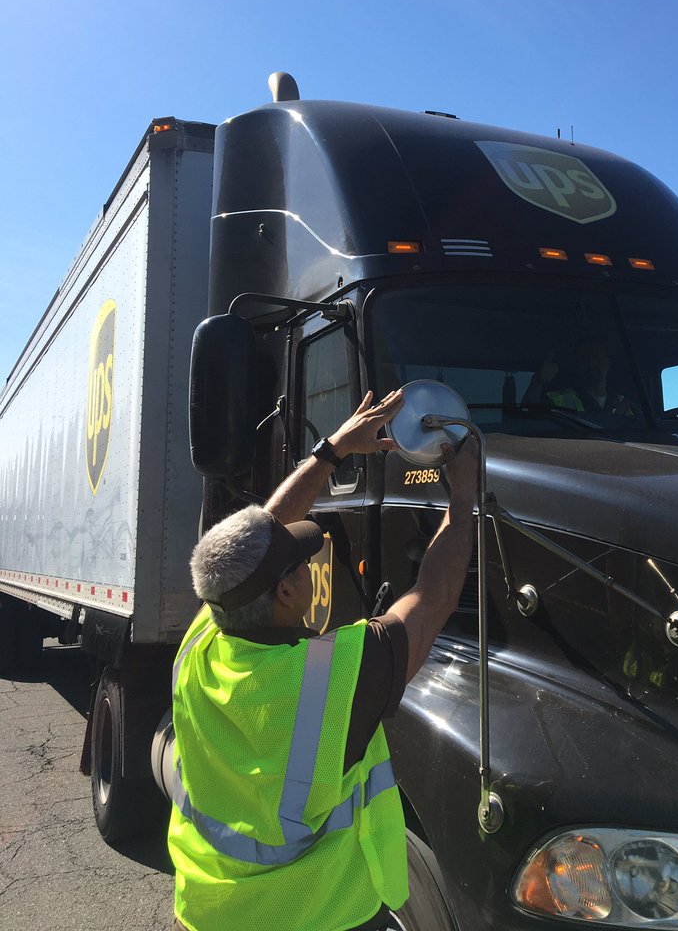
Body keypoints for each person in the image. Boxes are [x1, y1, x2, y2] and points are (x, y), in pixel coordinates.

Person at [168, 389, 478, 931]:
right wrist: (464, 497)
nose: (313, 565)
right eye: (301, 564)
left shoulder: (205, 637)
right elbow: (433, 602)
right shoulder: (331, 679)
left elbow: (257, 536)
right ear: (286, 595)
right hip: (318, 916)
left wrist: (332, 450)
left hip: (212, 912)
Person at [523, 337, 637, 415]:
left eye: (597, 358)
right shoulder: (557, 400)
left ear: (609, 362)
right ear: (577, 365)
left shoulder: (626, 405)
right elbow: (527, 419)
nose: (591, 364)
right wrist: (537, 382)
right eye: (585, 359)